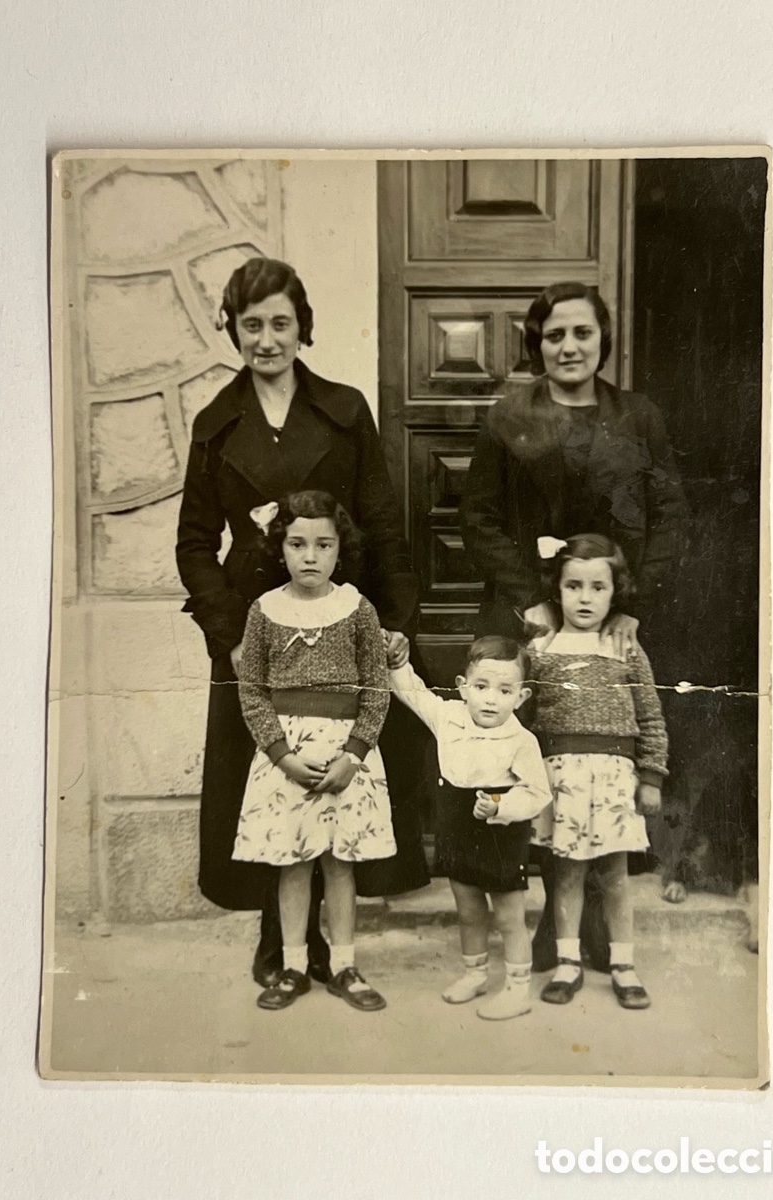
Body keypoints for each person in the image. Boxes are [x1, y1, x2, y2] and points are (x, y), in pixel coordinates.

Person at [175, 257, 427, 990]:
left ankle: (334, 939)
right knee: (264, 781)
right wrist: (228, 627)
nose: (266, 339)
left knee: (342, 778)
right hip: (257, 633)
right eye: (251, 324)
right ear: (234, 329)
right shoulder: (216, 424)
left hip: (339, 629)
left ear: (301, 326)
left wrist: (394, 617)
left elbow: (380, 522)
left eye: (280, 323)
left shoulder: (344, 411)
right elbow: (194, 541)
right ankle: (277, 938)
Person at [459, 281, 688, 972]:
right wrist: (528, 597)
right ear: (539, 344)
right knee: (531, 759)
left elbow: (669, 514)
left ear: (602, 339)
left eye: (582, 333)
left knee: (601, 760)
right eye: (555, 335)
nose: (568, 347)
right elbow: (479, 518)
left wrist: (631, 605)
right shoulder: (508, 416)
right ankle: (529, 927)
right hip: (526, 610)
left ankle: (595, 928)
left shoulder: (638, 417)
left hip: (607, 616)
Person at [234, 491, 394, 1011]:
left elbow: (375, 688)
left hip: (346, 755)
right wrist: (281, 754)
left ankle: (345, 965)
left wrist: (354, 754)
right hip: (287, 760)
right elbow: (252, 690)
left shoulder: (356, 609)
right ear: (279, 548)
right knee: (294, 864)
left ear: (338, 549)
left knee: (341, 864)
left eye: (322, 545)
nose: (310, 556)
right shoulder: (265, 611)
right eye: (297, 544)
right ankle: (294, 965)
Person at [528, 534, 668, 1009]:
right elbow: (526, 714)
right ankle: (568, 963)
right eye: (573, 586)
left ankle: (623, 964)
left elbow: (649, 714)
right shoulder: (542, 648)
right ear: (557, 589)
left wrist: (650, 776)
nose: (585, 598)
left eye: (596, 588)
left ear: (615, 592)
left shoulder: (624, 646)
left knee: (614, 875)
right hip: (561, 778)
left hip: (613, 779)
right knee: (565, 874)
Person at [389, 636, 551, 1020]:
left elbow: (537, 792)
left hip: (500, 834)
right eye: (481, 687)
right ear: (463, 687)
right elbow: (412, 692)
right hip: (457, 827)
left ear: (522, 696)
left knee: (509, 917)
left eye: (505, 690)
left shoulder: (522, 740)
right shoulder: (448, 716)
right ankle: (475, 974)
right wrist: (396, 662)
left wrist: (500, 805)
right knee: (469, 912)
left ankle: (517, 988)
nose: (491, 699)